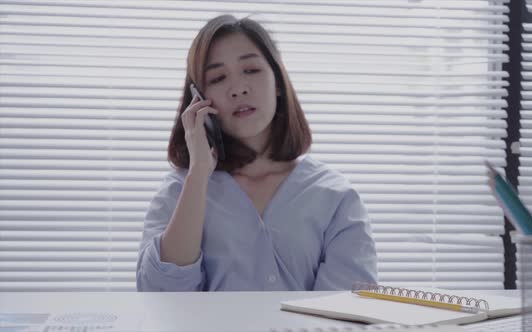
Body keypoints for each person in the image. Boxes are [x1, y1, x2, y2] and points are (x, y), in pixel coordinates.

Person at [136, 15, 377, 292]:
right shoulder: (179, 191)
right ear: (198, 100)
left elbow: (346, 311)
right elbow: (159, 295)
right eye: (218, 77)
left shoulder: (335, 198)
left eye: (250, 70)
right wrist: (199, 172)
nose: (238, 88)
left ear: (277, 83)